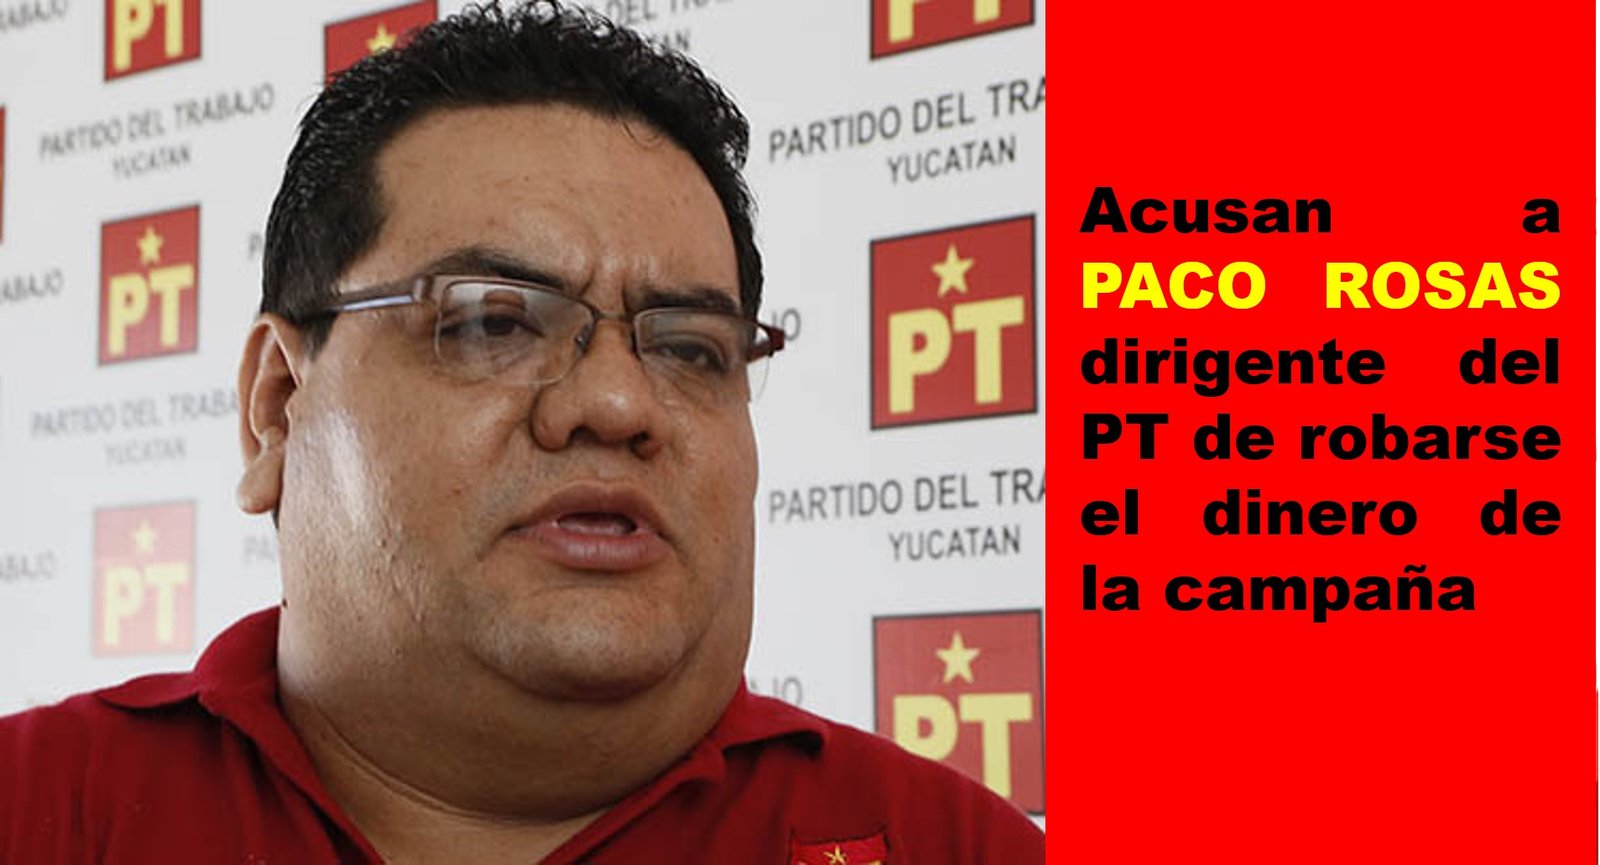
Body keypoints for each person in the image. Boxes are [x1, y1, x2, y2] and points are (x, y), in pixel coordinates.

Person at [0, 3, 1045, 862]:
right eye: (495, 322)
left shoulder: (953, 847)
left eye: (689, 348)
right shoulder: (35, 807)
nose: (619, 405)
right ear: (276, 406)